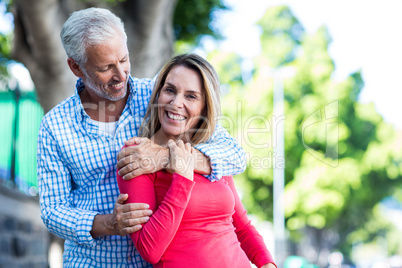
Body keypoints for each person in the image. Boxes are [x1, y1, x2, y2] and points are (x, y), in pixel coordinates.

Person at [37, 8, 246, 267]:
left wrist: (164, 158)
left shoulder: (160, 97)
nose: (121, 74)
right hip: (93, 262)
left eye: (124, 60)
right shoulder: (55, 126)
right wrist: (108, 223)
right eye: (106, 67)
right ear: (76, 67)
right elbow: (53, 210)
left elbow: (235, 155)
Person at [117, 53, 276, 268]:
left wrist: (267, 263)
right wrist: (182, 177)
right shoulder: (139, 155)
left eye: (191, 96)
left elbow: (242, 225)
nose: (176, 103)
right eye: (170, 90)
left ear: (204, 108)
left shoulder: (211, 153)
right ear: (157, 95)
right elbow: (150, 250)